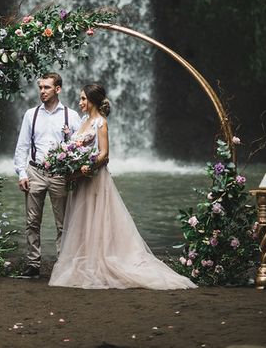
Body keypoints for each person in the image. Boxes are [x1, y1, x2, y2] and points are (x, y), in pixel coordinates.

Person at [49, 82, 196, 290]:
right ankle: (85, 260)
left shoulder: (100, 122)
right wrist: (71, 166)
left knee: (96, 220)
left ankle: (100, 261)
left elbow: (105, 154)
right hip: (81, 180)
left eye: (83, 98)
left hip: (94, 179)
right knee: (83, 222)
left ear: (92, 100)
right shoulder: (83, 120)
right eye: (80, 98)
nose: (80, 102)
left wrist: (86, 167)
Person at [14, 72, 81, 278]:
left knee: (63, 222)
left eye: (47, 87)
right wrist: (22, 173)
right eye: (40, 87)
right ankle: (33, 263)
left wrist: (75, 170)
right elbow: (22, 147)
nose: (42, 91)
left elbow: (80, 147)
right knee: (32, 221)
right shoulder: (30, 114)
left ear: (58, 89)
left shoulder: (71, 116)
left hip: (60, 174)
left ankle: (63, 262)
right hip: (35, 172)